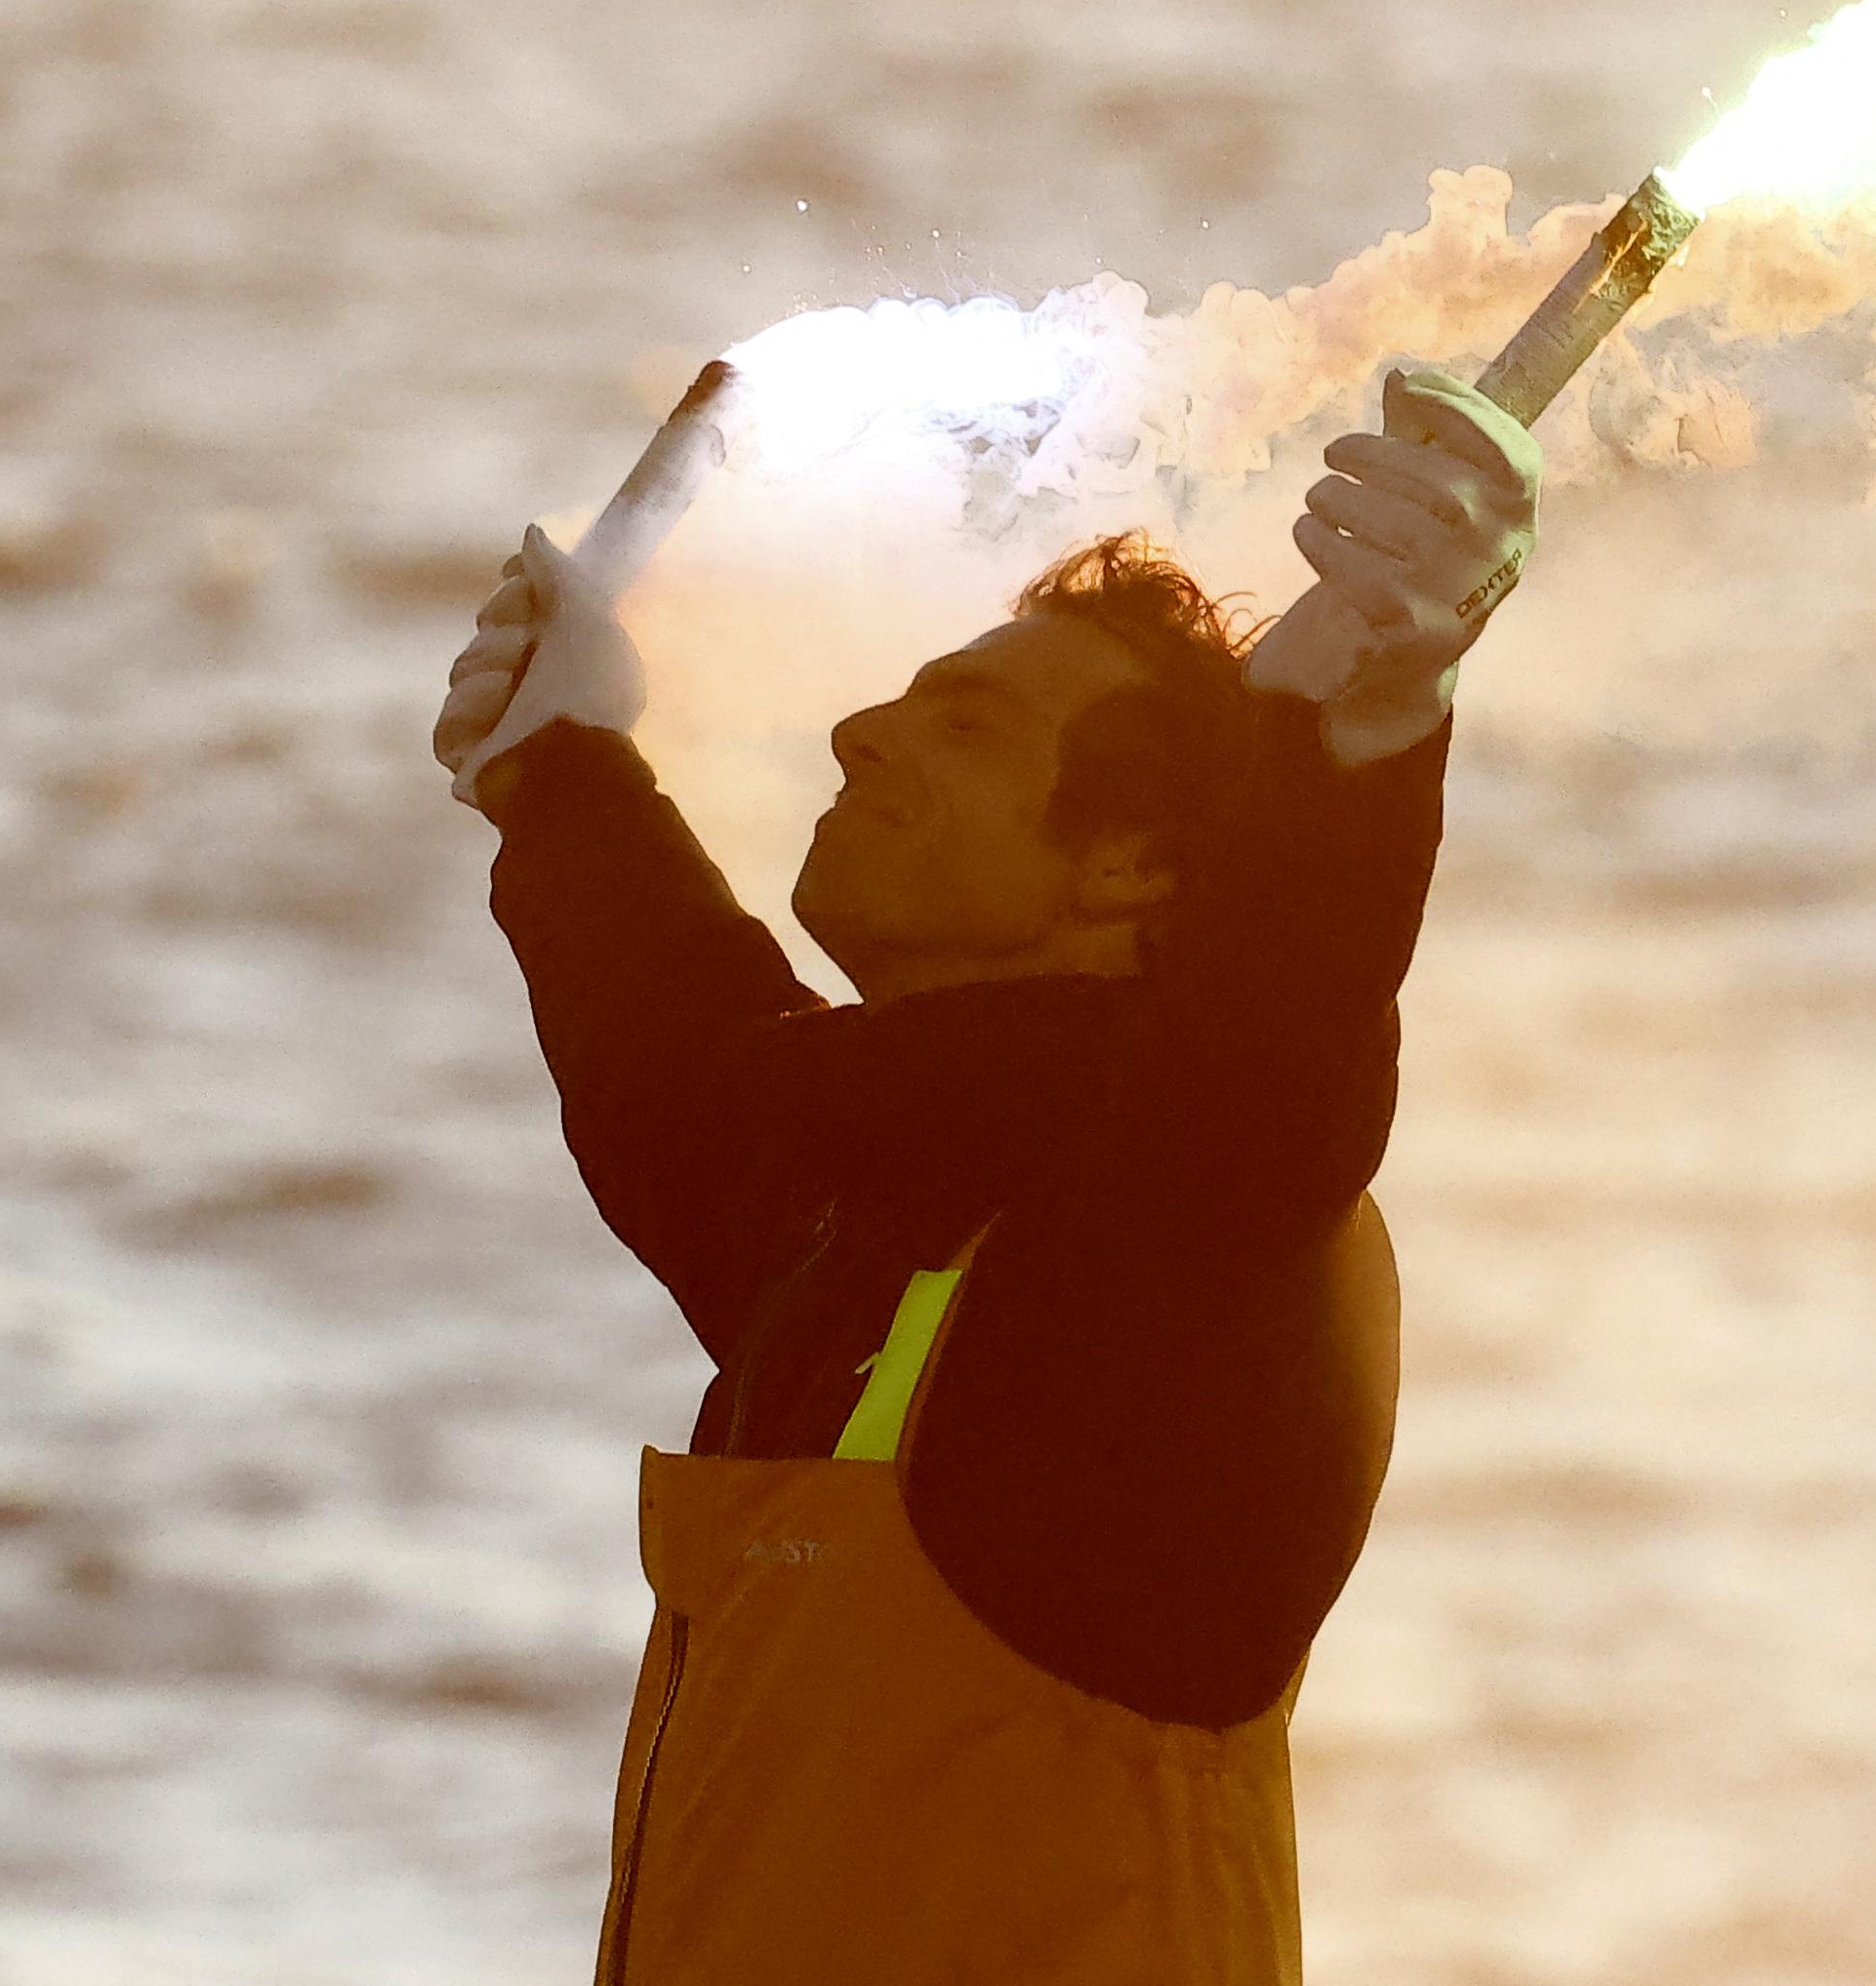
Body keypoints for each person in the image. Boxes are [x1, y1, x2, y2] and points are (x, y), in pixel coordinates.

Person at [432, 366, 1540, 1985]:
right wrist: (561, 776)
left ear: (1135, 865)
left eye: (966, 720)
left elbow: (1268, 1060)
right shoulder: (859, 1225)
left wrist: (1357, 756)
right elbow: (683, 1081)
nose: (861, 731)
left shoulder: (1193, 1237)